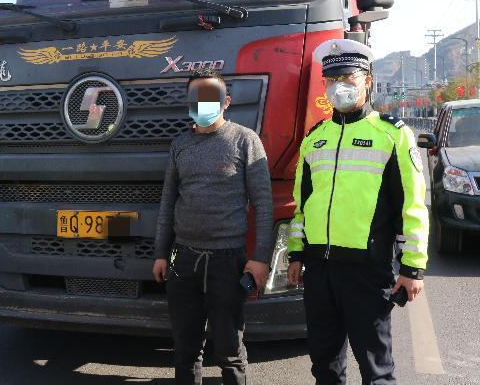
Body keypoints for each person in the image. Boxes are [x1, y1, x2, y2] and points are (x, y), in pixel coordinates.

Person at [287, 39, 429, 385]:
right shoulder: (315, 138)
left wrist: (412, 268)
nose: (339, 87)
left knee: (376, 370)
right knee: (325, 366)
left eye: (348, 78)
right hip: (319, 270)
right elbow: (302, 204)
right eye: (331, 80)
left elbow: (412, 204)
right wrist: (296, 254)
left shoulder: (392, 135)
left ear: (367, 80)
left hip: (368, 270)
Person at [153, 68, 274, 385]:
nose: (203, 103)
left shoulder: (245, 141)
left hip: (227, 262)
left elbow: (263, 205)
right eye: (197, 97)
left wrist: (260, 258)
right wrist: (161, 254)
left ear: (226, 102)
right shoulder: (180, 145)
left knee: (230, 350)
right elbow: (168, 203)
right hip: (183, 260)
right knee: (185, 350)